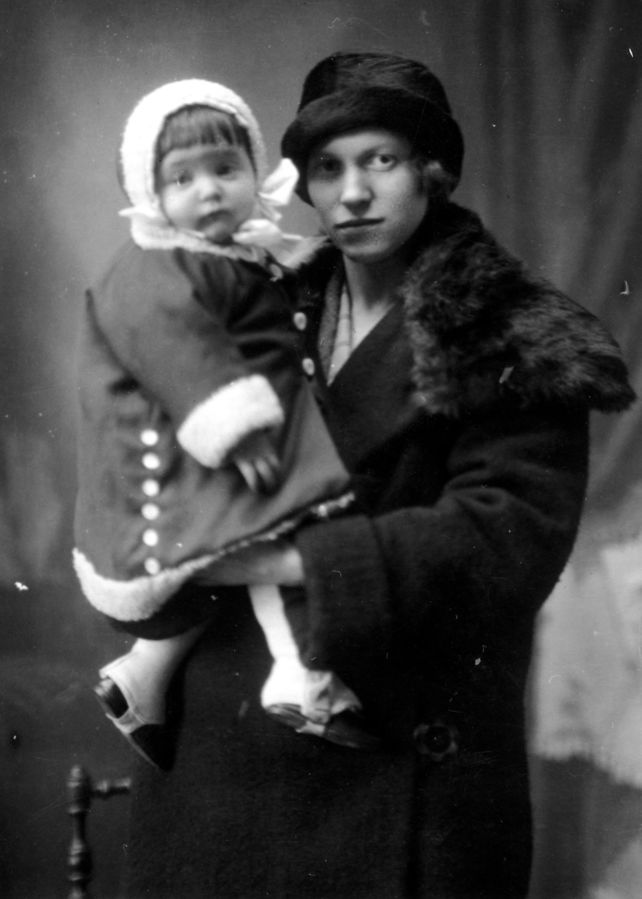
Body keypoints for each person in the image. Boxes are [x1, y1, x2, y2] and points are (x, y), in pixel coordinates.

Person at [121, 53, 635, 899]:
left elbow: (506, 542)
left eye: (381, 161)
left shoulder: (514, 332)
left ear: (432, 171)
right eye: (328, 168)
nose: (353, 193)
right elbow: (138, 466)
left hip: (401, 777)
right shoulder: (243, 299)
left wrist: (287, 559)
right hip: (220, 780)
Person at [73, 78, 376, 772]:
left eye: (225, 169)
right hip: (177, 453)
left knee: (220, 568)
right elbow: (177, 348)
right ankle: (302, 676)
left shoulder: (220, 252)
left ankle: (139, 679)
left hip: (199, 450)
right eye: (182, 178)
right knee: (283, 530)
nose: (209, 191)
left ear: (253, 170)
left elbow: (259, 292)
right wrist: (234, 428)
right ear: (150, 192)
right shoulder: (153, 266)